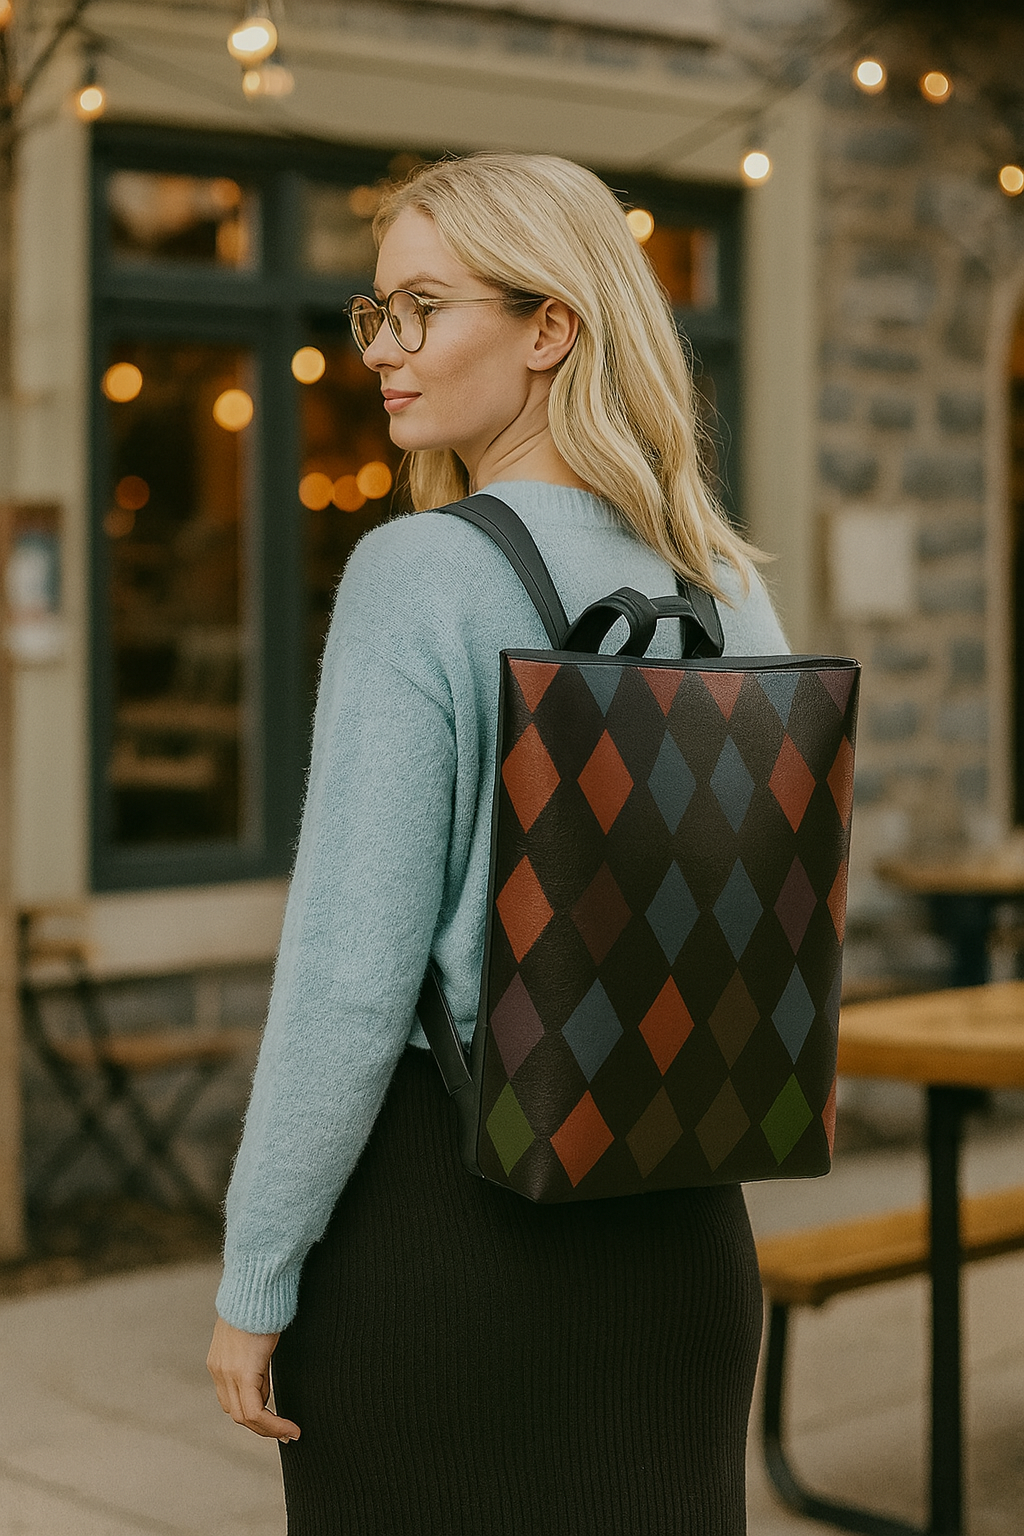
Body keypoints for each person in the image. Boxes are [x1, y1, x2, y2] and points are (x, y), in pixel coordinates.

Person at [207, 152, 788, 1535]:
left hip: (452, 1232)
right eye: (377, 316)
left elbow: (354, 980)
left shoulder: (422, 575)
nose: (386, 354)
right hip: (686, 1236)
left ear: (548, 327)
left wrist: (256, 1273)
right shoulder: (722, 581)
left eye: (423, 309)